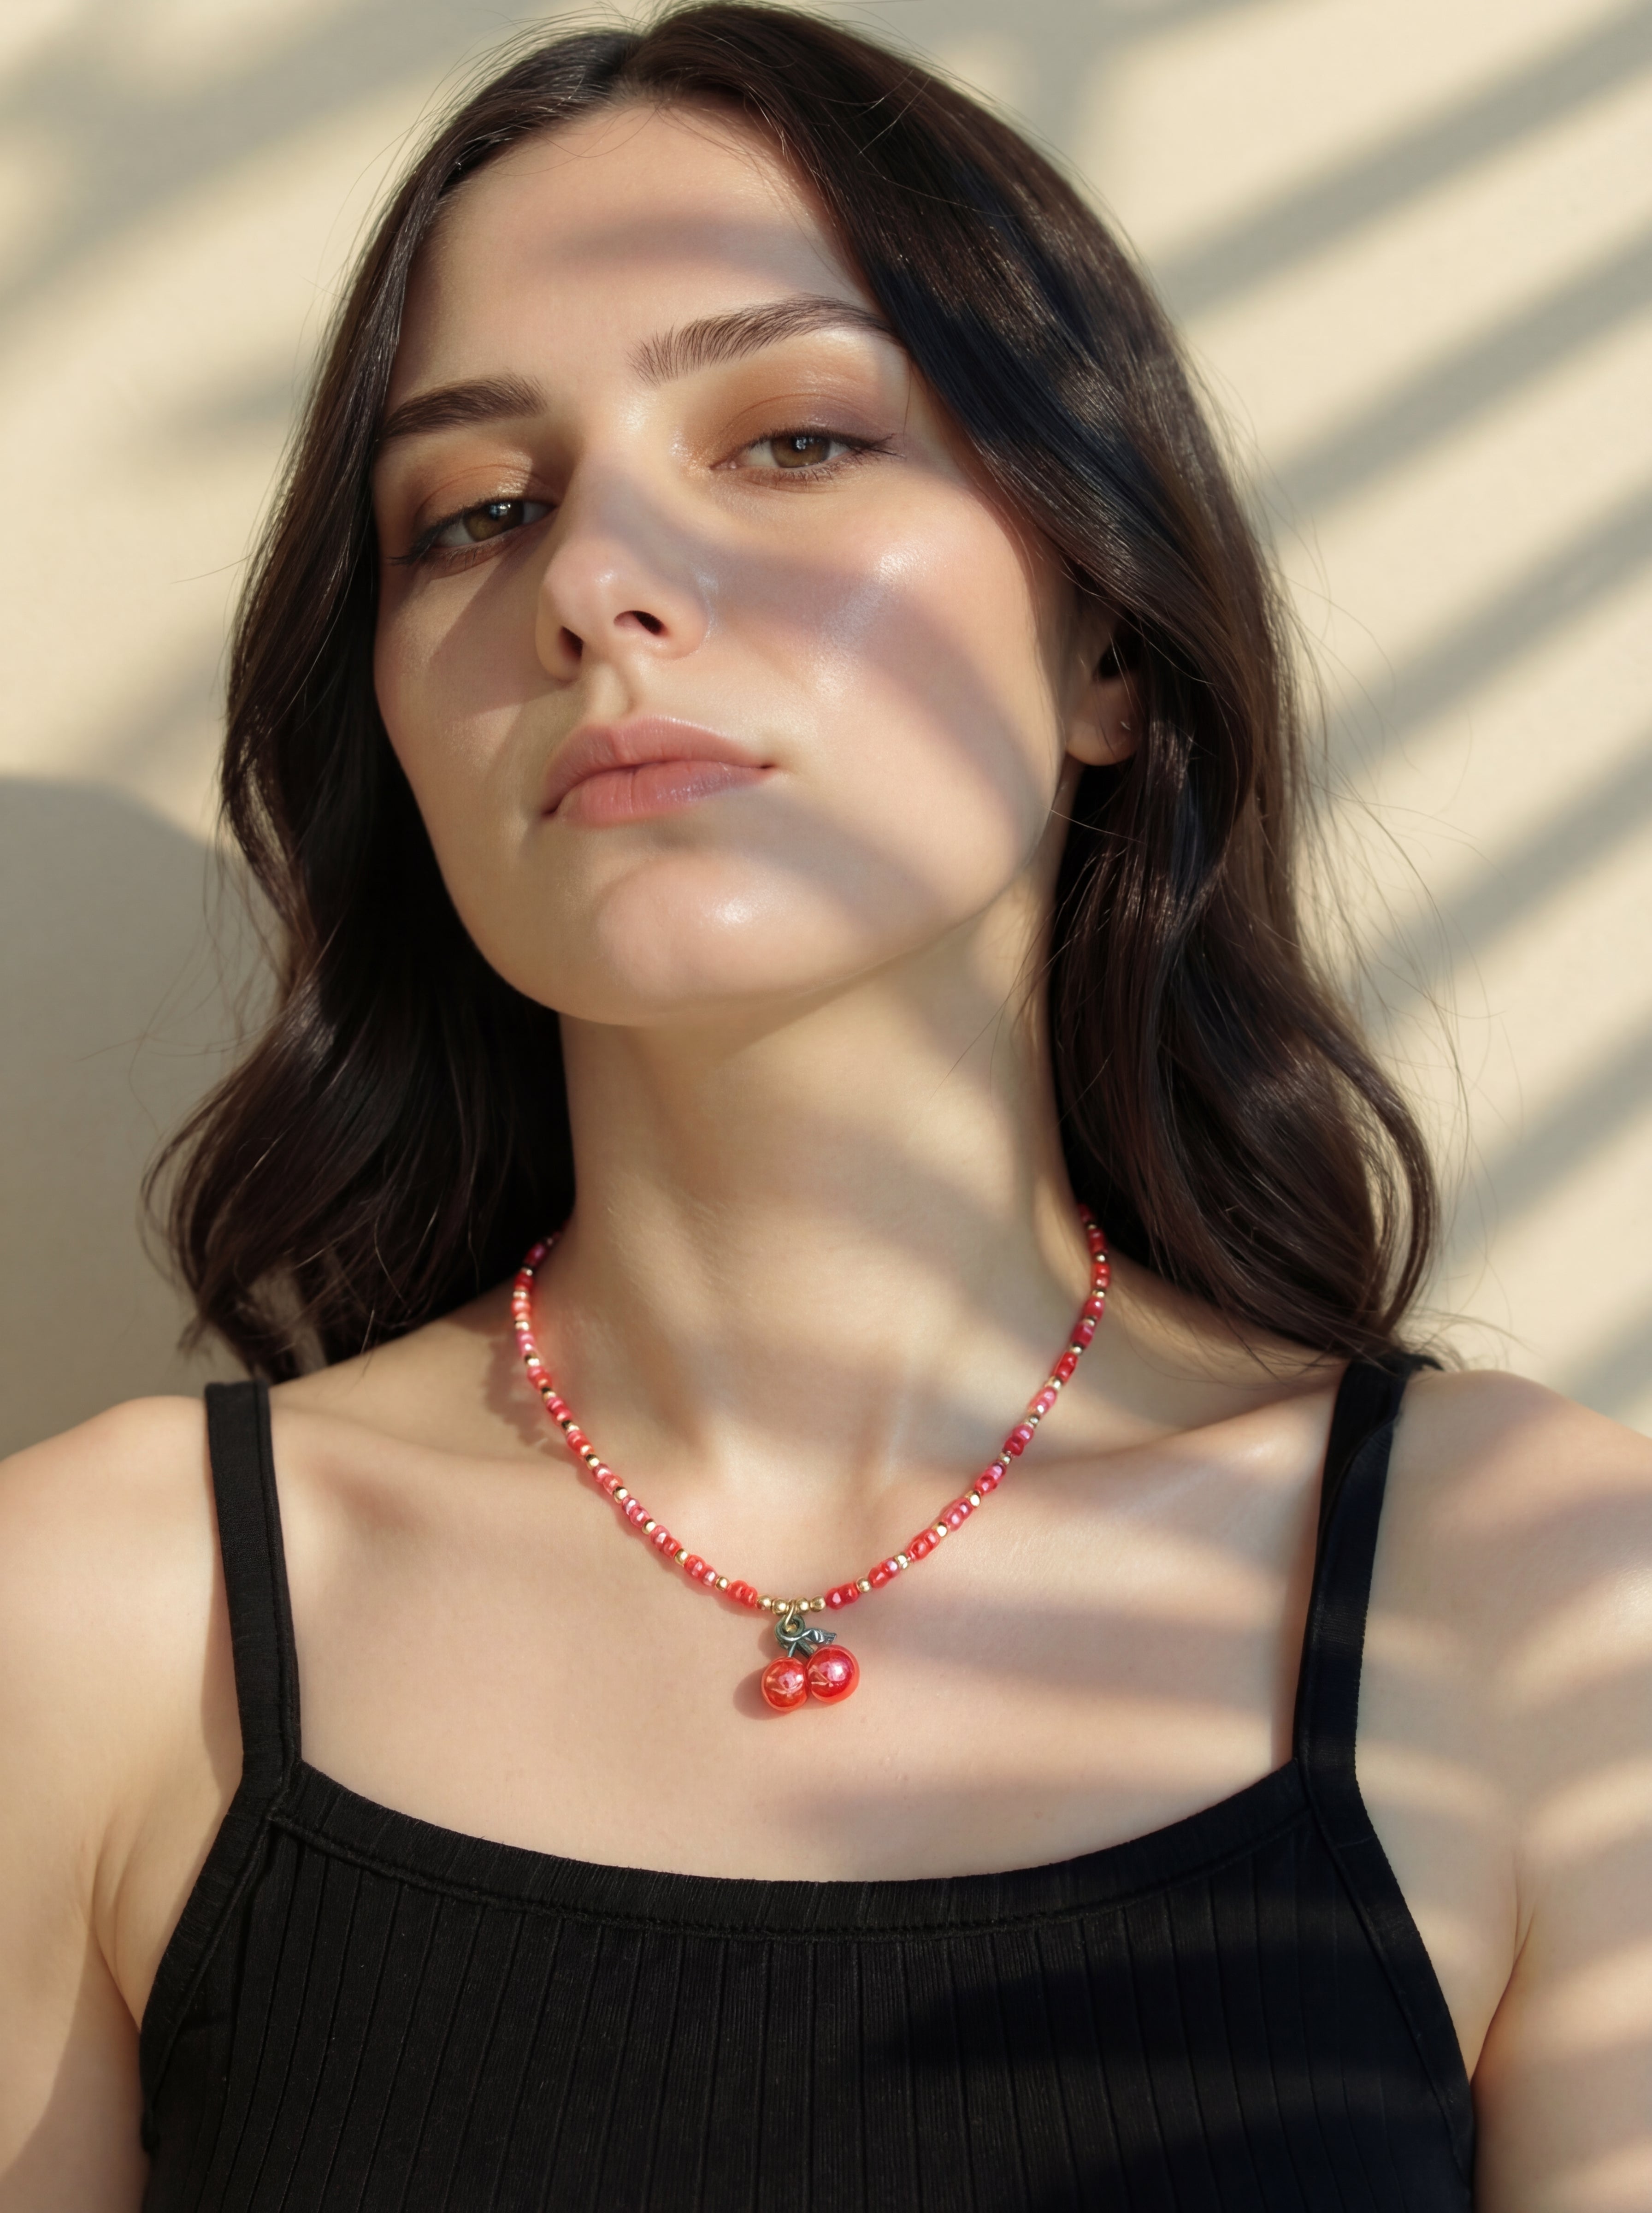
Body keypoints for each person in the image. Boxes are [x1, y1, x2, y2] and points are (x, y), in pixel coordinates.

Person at [1, 7, 1646, 2205]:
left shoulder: (1538, 1593)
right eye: (477, 509)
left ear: (1105, 648)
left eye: (788, 438)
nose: (592, 587)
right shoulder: (99, 1627)